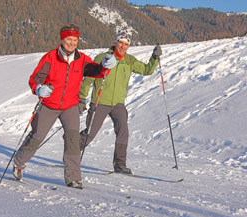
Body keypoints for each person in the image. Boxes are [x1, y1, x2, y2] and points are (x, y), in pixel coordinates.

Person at [12, 23, 117, 189]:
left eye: (75, 40)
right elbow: (35, 78)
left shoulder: (81, 59)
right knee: (37, 136)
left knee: (73, 140)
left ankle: (73, 178)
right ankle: (19, 162)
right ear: (62, 39)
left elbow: (95, 71)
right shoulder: (50, 58)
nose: (72, 43)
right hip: (49, 104)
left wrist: (104, 65)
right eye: (69, 39)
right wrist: (39, 88)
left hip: (70, 106)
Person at [79, 30, 162, 174]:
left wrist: (155, 57)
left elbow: (147, 70)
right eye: (121, 43)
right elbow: (88, 80)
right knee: (90, 133)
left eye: (126, 44)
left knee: (123, 131)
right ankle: (71, 154)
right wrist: (81, 98)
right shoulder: (102, 58)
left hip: (118, 104)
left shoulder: (129, 61)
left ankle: (119, 164)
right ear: (115, 42)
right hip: (100, 102)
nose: (123, 46)